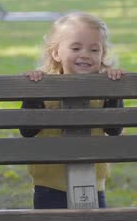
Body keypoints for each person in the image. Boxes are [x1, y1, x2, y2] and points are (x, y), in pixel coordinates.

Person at [21, 11, 124, 209]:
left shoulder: (105, 87)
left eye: (94, 50)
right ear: (56, 53)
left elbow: (114, 129)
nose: (85, 54)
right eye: (76, 48)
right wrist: (33, 91)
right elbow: (27, 131)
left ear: (102, 54)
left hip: (93, 183)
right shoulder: (44, 86)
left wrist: (114, 90)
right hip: (49, 186)